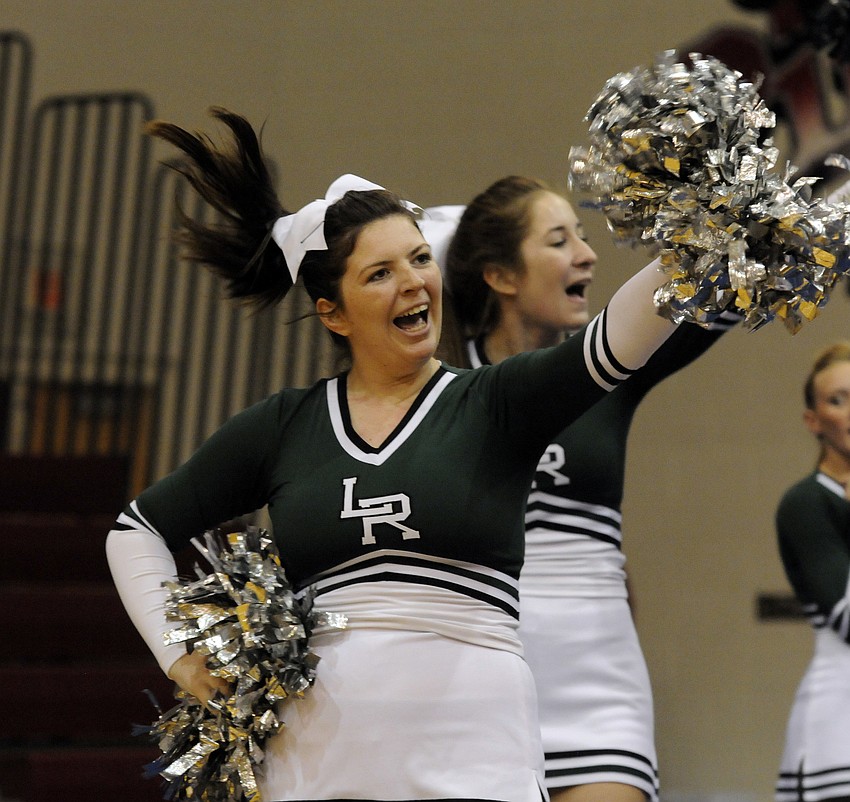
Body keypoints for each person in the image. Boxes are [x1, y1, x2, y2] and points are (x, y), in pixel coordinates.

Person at [105, 107, 684, 802]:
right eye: (380, 273)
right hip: (316, 767)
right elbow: (136, 530)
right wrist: (179, 657)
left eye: (418, 259)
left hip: (478, 759)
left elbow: (620, 334)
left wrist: (701, 237)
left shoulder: (495, 404)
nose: (413, 283)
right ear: (334, 312)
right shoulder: (285, 426)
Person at [431, 176, 740, 802]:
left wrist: (741, 205)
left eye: (583, 235)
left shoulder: (610, 365)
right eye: (559, 240)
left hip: (600, 682)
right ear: (501, 275)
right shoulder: (439, 392)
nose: (587, 254)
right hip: (475, 684)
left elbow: (728, 287)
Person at [774, 341, 850, 802]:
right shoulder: (805, 504)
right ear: (813, 420)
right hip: (839, 726)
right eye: (838, 399)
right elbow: (845, 615)